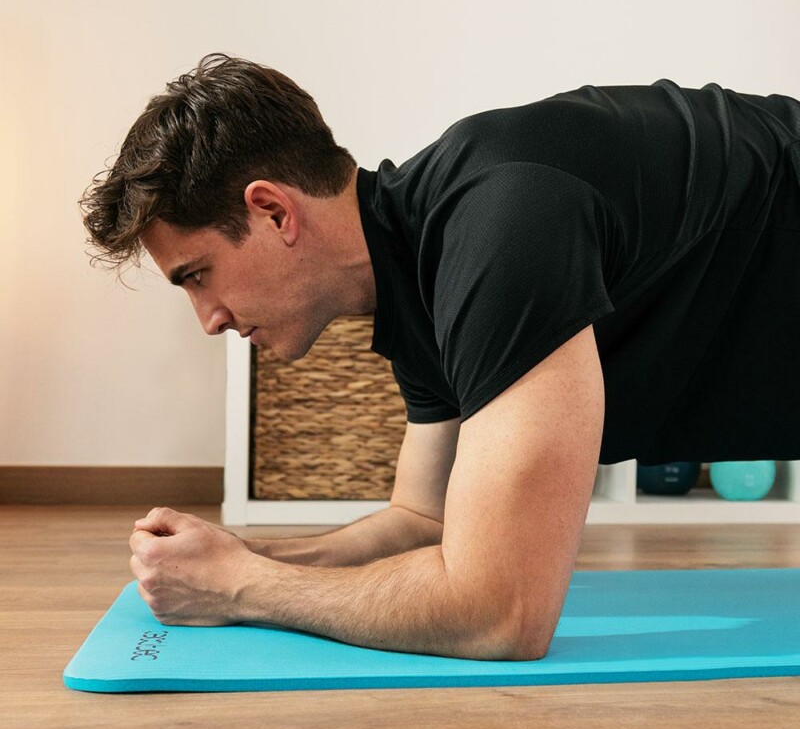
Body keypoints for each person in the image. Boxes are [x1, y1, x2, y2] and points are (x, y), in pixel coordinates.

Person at [79, 53, 800, 661]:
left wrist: (241, 588)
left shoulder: (500, 225)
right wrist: (246, 556)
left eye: (197, 275)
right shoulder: (416, 261)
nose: (207, 319)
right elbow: (423, 519)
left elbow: (501, 612)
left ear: (273, 211)